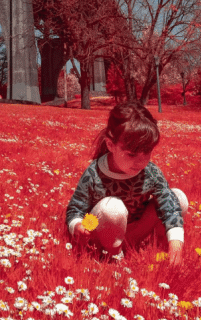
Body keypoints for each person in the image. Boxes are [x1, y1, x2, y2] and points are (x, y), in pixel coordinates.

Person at [65, 101, 188, 265]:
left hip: (134, 233)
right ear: (111, 145)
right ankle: (114, 258)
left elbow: (170, 207)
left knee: (177, 198)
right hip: (102, 237)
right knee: (113, 208)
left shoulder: (151, 172)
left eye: (147, 152)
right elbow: (75, 209)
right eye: (131, 154)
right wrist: (77, 226)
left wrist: (176, 247)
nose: (141, 161)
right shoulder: (94, 173)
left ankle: (162, 251)